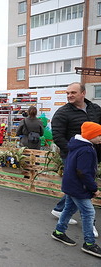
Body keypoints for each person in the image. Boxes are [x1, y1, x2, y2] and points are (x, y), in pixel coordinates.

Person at [51, 82, 101, 234]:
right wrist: (73, 152)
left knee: (75, 187)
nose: (69, 95)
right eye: (67, 93)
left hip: (93, 155)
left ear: (83, 93)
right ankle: (89, 223)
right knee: (83, 186)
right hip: (72, 157)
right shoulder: (62, 113)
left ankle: (59, 210)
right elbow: (58, 136)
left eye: (73, 92)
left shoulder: (95, 109)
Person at [51, 121, 101, 258]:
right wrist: (94, 188)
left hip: (71, 184)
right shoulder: (86, 150)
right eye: (99, 135)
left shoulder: (77, 145)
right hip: (79, 187)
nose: (100, 138)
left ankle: (59, 232)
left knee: (69, 208)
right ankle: (89, 243)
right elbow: (83, 172)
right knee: (89, 212)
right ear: (91, 135)